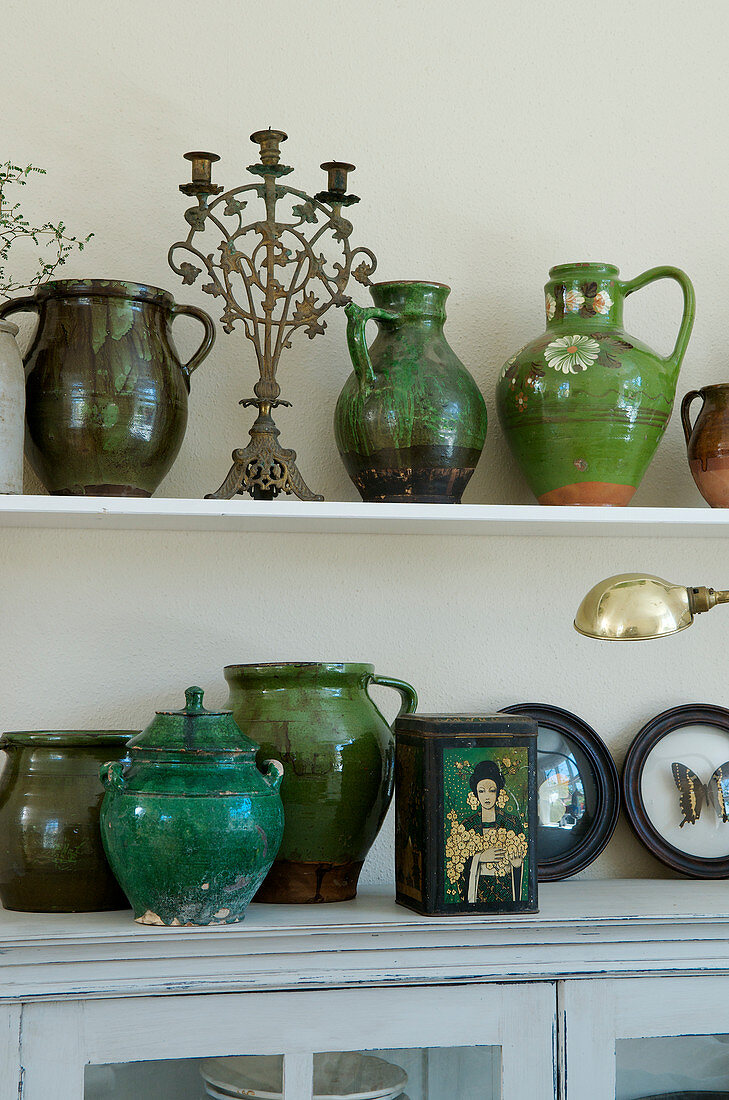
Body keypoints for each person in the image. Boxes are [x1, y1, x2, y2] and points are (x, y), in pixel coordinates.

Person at [459, 759, 525, 904]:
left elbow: (522, 862)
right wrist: (479, 858)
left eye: (492, 790)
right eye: (481, 791)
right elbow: (459, 864)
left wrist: (517, 865)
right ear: (476, 793)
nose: (487, 796)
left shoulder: (511, 822)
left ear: (498, 792)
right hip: (479, 888)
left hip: (504, 888)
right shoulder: (468, 825)